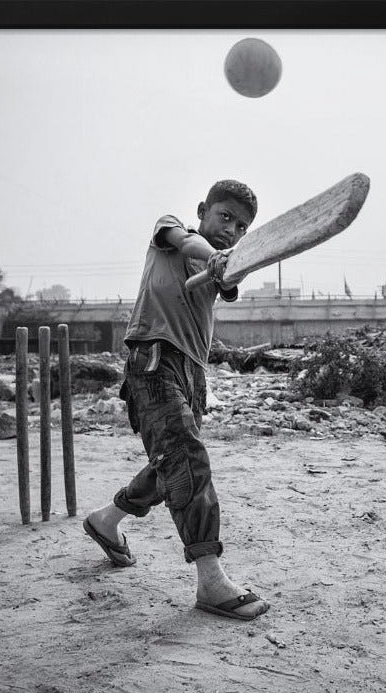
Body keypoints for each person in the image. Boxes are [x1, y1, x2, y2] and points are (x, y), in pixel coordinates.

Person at [83, 179, 270, 621]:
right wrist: (217, 256)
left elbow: (229, 282)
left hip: (192, 372)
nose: (231, 229)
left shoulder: (224, 265)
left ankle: (106, 520)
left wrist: (233, 264)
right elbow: (188, 242)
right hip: (154, 360)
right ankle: (210, 579)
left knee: (169, 464)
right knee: (186, 460)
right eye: (224, 217)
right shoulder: (172, 233)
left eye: (241, 227)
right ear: (203, 210)